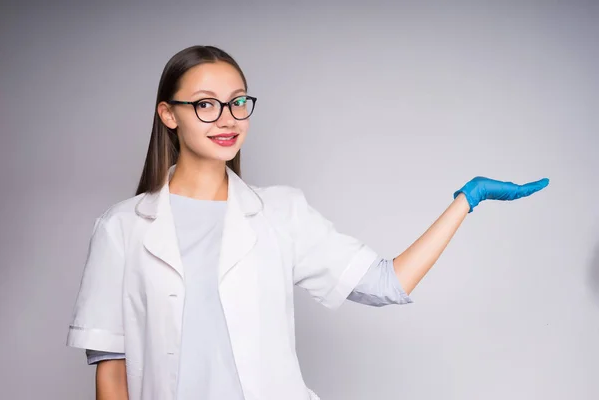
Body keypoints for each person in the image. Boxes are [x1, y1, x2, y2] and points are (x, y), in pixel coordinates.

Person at [65, 45, 549, 400]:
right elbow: (112, 370)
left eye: (238, 101)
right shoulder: (123, 228)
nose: (228, 117)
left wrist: (467, 200)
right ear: (169, 115)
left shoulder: (280, 213)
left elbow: (387, 282)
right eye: (206, 104)